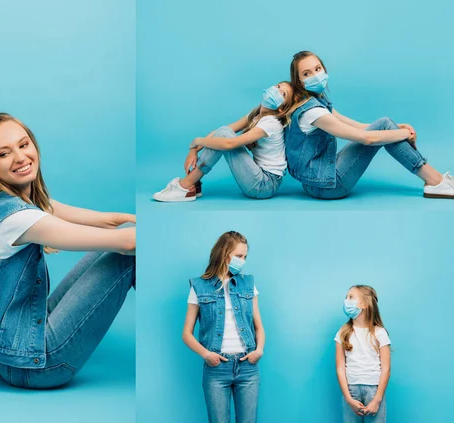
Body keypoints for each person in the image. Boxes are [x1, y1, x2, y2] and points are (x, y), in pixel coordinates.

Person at [0, 113, 136, 389]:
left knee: (107, 248)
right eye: (4, 153)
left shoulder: (15, 202)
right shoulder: (14, 219)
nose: (20, 157)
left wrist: (130, 218)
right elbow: (128, 243)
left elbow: (102, 221)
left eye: (23, 144)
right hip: (37, 365)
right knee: (125, 256)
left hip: (10, 351)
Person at [285, 50, 454, 199]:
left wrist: (396, 128)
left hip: (320, 175)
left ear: (324, 69)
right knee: (384, 126)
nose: (315, 75)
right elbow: (366, 138)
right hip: (327, 187)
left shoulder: (316, 101)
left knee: (385, 123)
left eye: (317, 69)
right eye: (306, 73)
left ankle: (436, 180)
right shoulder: (313, 112)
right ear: (299, 81)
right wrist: (404, 134)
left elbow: (358, 126)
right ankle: (436, 181)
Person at [153, 83, 295, 201]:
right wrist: (194, 150)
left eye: (283, 94)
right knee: (223, 131)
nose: (276, 91)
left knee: (225, 137)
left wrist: (195, 141)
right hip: (260, 178)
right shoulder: (256, 115)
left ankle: (186, 186)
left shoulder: (271, 122)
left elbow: (229, 144)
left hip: (265, 185)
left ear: (281, 108)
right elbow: (221, 131)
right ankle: (192, 184)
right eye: (278, 87)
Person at [182, 231, 265, 423]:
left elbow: (259, 326)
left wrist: (259, 350)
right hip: (217, 368)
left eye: (245, 257)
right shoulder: (198, 286)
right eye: (238, 256)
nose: (242, 261)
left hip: (248, 367)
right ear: (223, 253)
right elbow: (186, 333)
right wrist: (206, 354)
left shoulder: (248, 284)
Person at [336, 285, 391, 422]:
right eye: (346, 297)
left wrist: (377, 400)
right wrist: (348, 399)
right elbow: (340, 368)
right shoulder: (343, 333)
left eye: (351, 297)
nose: (346, 301)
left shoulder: (380, 333)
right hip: (351, 390)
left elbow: (386, 369)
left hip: (374, 391)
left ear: (365, 304)